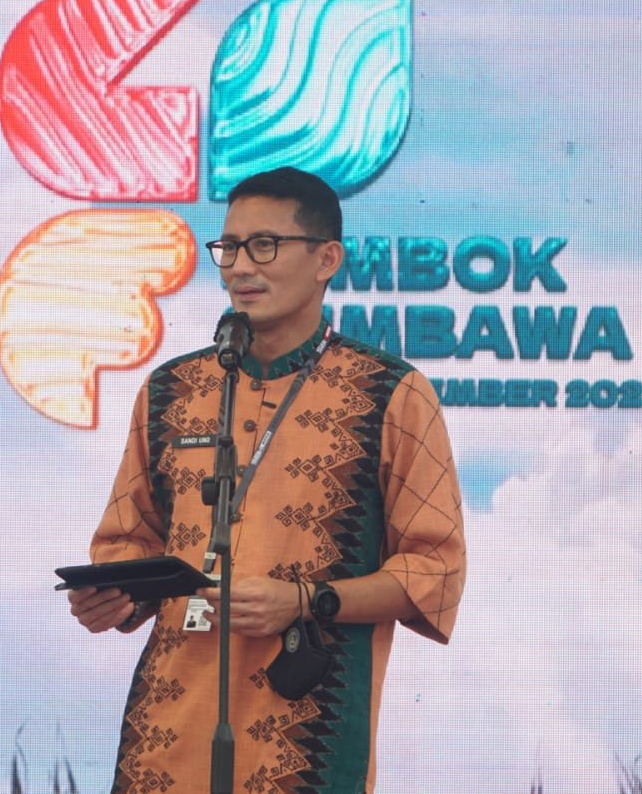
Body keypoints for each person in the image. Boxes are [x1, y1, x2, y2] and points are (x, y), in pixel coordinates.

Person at [68, 166, 466, 793]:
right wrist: (115, 599)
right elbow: (126, 542)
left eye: (265, 245)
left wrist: (307, 599)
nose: (240, 268)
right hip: (169, 727)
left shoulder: (391, 393)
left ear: (326, 259)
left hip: (307, 734)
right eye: (229, 248)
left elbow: (434, 572)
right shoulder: (171, 390)